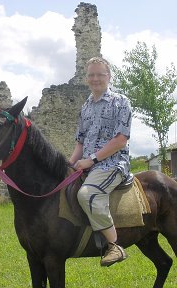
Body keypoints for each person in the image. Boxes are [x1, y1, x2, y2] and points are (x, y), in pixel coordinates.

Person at [69, 56, 132, 267]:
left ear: (109, 76)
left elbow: (120, 140)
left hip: (112, 164)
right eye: (91, 75)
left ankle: (114, 246)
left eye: (100, 74)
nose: (95, 78)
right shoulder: (85, 108)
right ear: (86, 78)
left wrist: (91, 160)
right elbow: (80, 142)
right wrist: (69, 166)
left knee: (87, 194)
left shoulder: (121, 102)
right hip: (88, 163)